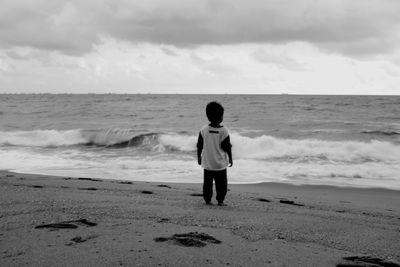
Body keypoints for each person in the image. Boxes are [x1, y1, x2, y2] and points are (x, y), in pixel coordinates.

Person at [197, 101, 233, 206]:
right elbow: (227, 147)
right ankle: (220, 201)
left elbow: (200, 145)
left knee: (207, 184)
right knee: (222, 184)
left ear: (208, 116)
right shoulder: (224, 131)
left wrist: (199, 157)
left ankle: (207, 200)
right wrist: (231, 158)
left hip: (207, 163)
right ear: (221, 116)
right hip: (220, 164)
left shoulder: (204, 129)